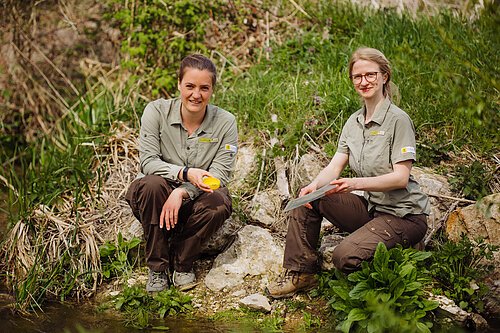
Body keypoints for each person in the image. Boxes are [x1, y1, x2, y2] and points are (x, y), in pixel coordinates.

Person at [266, 47, 430, 299]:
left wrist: (355, 183)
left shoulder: (398, 120)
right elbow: (334, 166)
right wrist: (312, 186)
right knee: (306, 199)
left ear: (384, 76)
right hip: (372, 211)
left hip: (404, 217)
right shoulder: (353, 122)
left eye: (370, 75)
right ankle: (303, 274)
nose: (364, 82)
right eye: (357, 77)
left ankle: (402, 253)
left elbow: (400, 177)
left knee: (344, 257)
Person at [125, 54, 238, 292]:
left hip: (196, 200)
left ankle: (182, 263)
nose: (196, 94)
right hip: (154, 198)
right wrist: (185, 174)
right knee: (152, 185)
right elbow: (148, 162)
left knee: (219, 201)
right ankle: (157, 269)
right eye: (190, 86)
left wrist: (183, 193)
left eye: (204, 88)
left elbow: (220, 174)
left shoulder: (226, 122)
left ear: (212, 90)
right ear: (179, 84)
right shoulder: (155, 112)